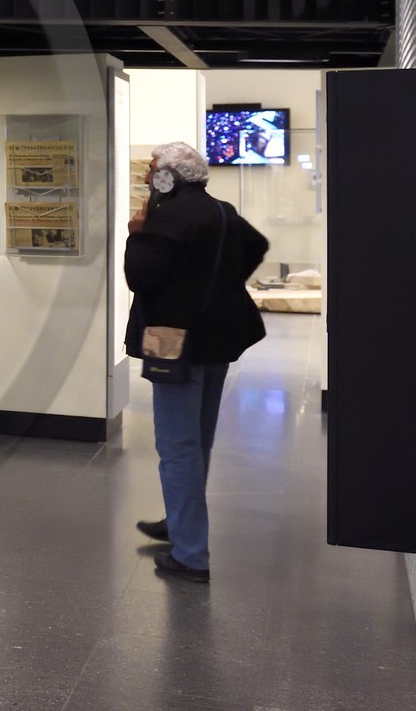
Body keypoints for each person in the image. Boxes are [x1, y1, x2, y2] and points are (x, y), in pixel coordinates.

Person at [125, 141, 268, 584]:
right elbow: (256, 245)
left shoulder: (167, 216)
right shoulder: (220, 210)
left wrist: (136, 232)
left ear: (169, 177)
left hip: (177, 341)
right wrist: (221, 284)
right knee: (197, 439)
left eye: (152, 172)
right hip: (218, 339)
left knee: (177, 445)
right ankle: (180, 524)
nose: (148, 179)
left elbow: (139, 275)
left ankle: (190, 554)